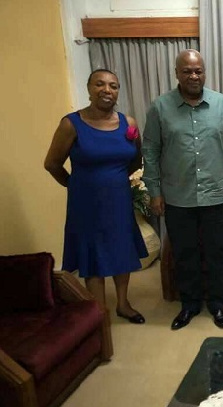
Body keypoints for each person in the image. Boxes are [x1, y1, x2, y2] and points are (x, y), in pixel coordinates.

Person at [142, 49, 223, 331]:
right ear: (177, 73)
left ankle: (217, 304)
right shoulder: (160, 108)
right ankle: (189, 304)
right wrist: (154, 191)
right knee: (184, 253)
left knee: (217, 252)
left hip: (215, 194)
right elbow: (150, 151)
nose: (193, 76)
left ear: (204, 72)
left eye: (198, 70)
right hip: (177, 196)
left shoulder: (222, 104)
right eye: (187, 71)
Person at [44, 69, 148, 324]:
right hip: (85, 203)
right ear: (89, 88)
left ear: (118, 91)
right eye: (100, 84)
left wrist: (115, 180)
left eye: (113, 86)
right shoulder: (71, 123)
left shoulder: (129, 123)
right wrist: (74, 186)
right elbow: (52, 163)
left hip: (119, 199)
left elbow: (135, 159)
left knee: (122, 250)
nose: (107, 90)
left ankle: (123, 304)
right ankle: (99, 312)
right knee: (94, 254)